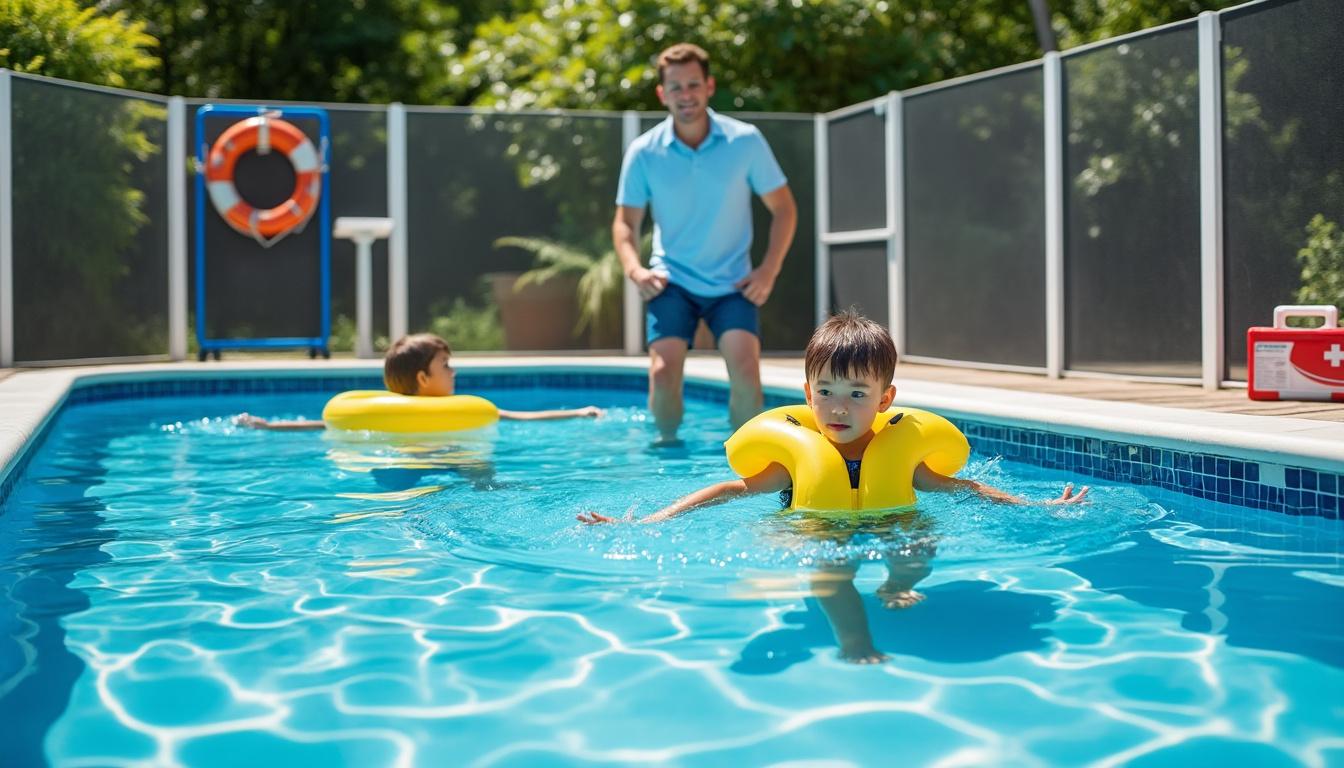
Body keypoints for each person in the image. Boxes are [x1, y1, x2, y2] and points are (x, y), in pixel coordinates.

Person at [578, 311, 1088, 662]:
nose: (838, 407)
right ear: (807, 394)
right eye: (825, 391)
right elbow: (731, 490)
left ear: (885, 399)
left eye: (856, 394)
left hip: (890, 522)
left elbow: (964, 489)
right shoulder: (798, 460)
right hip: (818, 528)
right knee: (830, 568)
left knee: (920, 542)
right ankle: (853, 639)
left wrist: (1036, 504)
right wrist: (650, 521)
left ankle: (896, 585)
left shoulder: (900, 456)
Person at [614, 42, 798, 445]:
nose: (686, 94)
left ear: (709, 86)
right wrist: (635, 269)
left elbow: (784, 209)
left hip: (732, 285)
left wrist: (768, 270)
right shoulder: (644, 152)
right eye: (676, 87)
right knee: (663, 372)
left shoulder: (745, 141)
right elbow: (625, 223)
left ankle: (747, 459)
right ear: (662, 94)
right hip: (671, 281)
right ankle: (666, 452)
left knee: (746, 370)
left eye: (693, 84)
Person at [238, 333, 603, 430]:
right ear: (423, 378)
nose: (454, 372)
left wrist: (576, 412)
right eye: (446, 365)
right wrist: (269, 426)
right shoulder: (385, 415)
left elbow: (520, 417)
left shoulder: (463, 410)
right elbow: (324, 424)